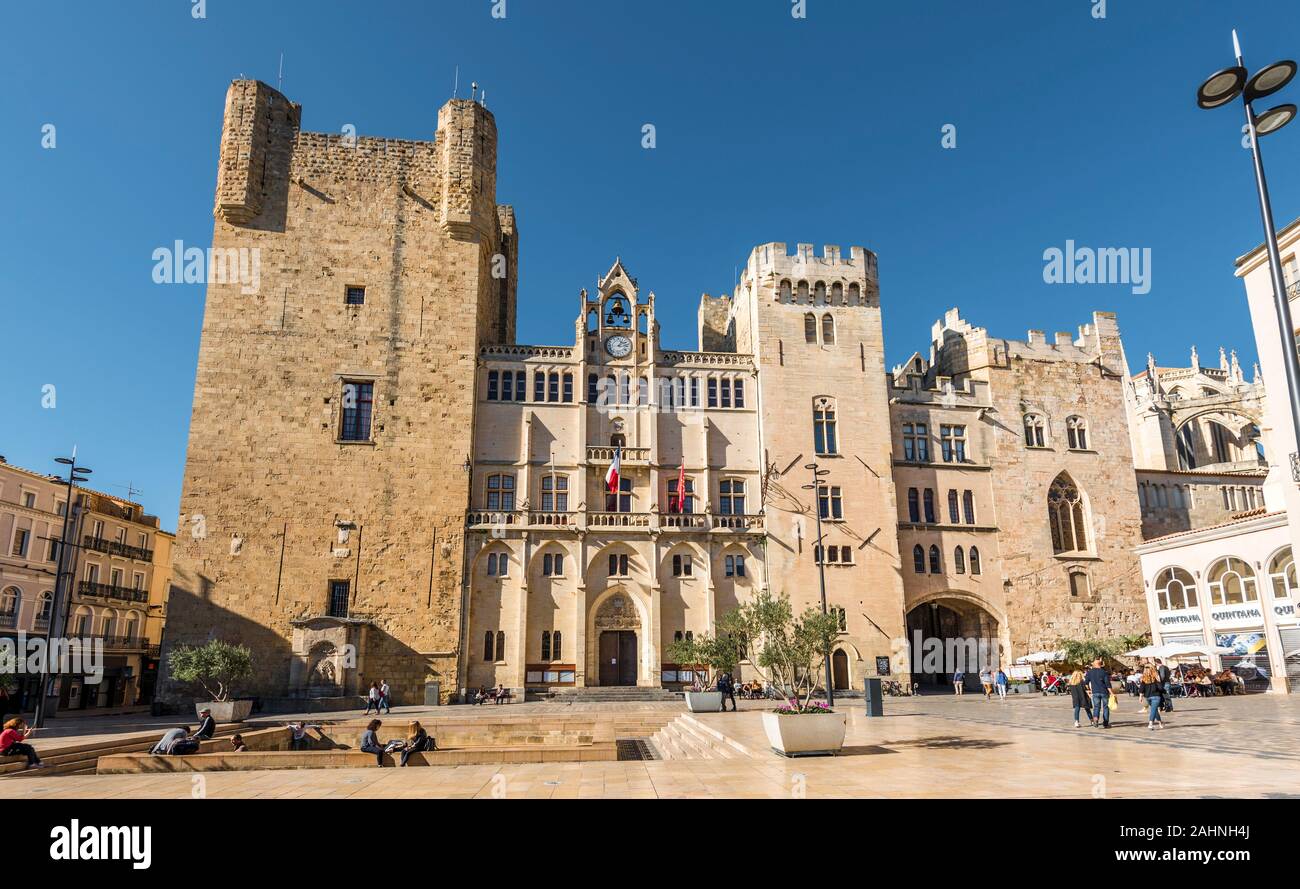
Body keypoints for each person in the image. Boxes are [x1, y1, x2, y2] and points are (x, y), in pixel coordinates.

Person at [1084, 658, 1112, 728]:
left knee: (1096, 707)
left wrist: (1088, 690)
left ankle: (1095, 719)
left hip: (1095, 692)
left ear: (1094, 664)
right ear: (1100, 664)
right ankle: (1105, 723)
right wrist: (1111, 693)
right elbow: (1107, 684)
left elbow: (1086, 683)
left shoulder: (1089, 672)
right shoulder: (1104, 672)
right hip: (1104, 692)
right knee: (1106, 707)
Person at [1140, 665, 1165, 731]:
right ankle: (1150, 723)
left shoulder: (1143, 678)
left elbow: (1141, 688)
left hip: (1148, 696)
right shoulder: (1156, 678)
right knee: (1154, 710)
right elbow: (1160, 688)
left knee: (1154, 710)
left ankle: (1160, 723)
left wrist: (1140, 697)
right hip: (1156, 696)